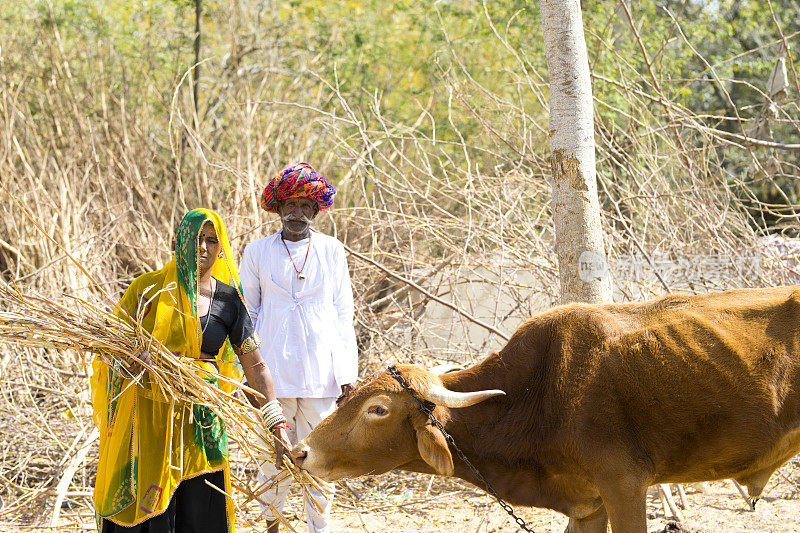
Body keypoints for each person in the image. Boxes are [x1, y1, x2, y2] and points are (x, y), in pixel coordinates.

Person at [91, 209, 289, 532]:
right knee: (153, 515)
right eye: (197, 238)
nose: (203, 248)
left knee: (202, 512)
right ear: (180, 240)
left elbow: (255, 366)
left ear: (220, 247)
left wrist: (275, 421)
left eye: (212, 240)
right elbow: (110, 353)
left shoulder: (229, 301)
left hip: (203, 426)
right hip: (151, 425)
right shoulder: (148, 292)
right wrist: (134, 362)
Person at [240, 163, 358, 533]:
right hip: (271, 376)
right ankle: (272, 526)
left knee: (320, 461)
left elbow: (343, 315)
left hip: (322, 377)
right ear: (277, 208)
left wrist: (347, 376)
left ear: (315, 211)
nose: (297, 213)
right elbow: (248, 315)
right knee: (271, 459)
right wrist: (247, 378)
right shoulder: (257, 251)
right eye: (290, 204)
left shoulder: (332, 251)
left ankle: (317, 529)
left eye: (306, 206)